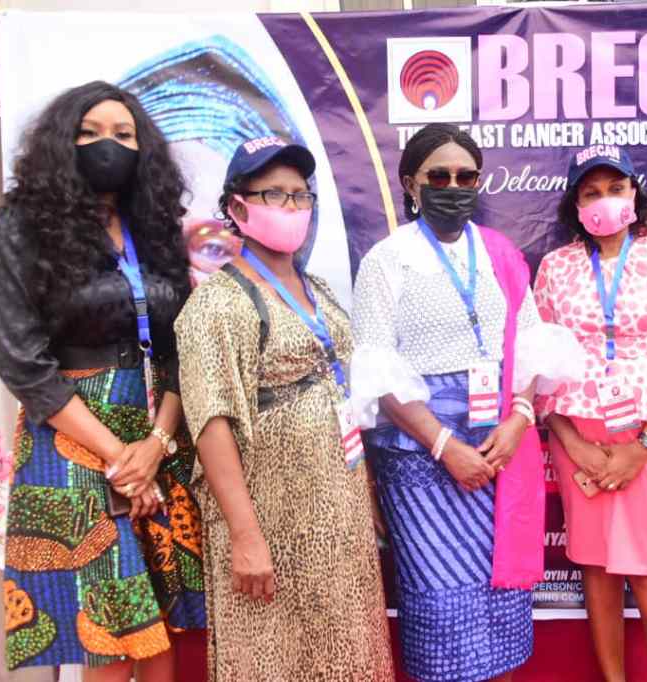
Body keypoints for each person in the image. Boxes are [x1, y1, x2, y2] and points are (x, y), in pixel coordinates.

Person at [0, 81, 206, 679]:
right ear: (63, 142)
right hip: (72, 440)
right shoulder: (24, 223)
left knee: (161, 631)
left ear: (142, 149)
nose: (106, 144)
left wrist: (155, 445)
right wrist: (118, 457)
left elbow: (183, 345)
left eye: (122, 134)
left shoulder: (154, 226)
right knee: (109, 640)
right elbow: (22, 361)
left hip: (157, 434)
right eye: (89, 133)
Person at [350, 123, 581, 682]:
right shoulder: (387, 260)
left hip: (498, 450)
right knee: (442, 606)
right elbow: (378, 371)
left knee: (499, 604)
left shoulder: (500, 253)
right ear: (411, 184)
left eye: (465, 177)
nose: (453, 187)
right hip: (421, 459)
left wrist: (520, 418)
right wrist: (443, 445)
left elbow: (528, 345)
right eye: (439, 177)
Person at [174, 137, 393, 681]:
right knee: (274, 653)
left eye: (300, 195)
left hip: (337, 518)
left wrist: (365, 493)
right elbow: (211, 424)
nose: (292, 207)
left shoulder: (318, 289)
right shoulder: (216, 304)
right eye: (274, 194)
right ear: (237, 207)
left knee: (346, 649)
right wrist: (246, 537)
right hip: (271, 520)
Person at [533, 145, 647, 682]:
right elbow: (540, 368)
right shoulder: (556, 268)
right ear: (575, 204)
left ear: (634, 193)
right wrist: (572, 444)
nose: (604, 201)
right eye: (591, 193)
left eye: (615, 188)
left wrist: (643, 446)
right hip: (579, 442)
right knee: (597, 569)